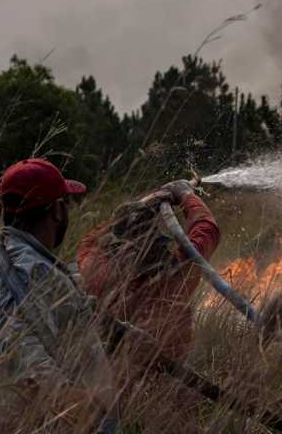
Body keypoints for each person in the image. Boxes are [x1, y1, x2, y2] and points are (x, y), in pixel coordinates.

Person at [0, 158, 117, 433]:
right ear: (58, 210)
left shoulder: (13, 257)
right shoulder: (24, 269)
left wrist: (120, 331)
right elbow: (18, 343)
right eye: (67, 202)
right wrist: (70, 399)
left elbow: (50, 309)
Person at [76, 179, 220, 421]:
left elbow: (87, 243)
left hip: (114, 398)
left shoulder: (97, 273)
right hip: (171, 394)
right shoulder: (179, 273)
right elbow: (207, 228)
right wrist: (185, 194)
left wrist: (140, 206)